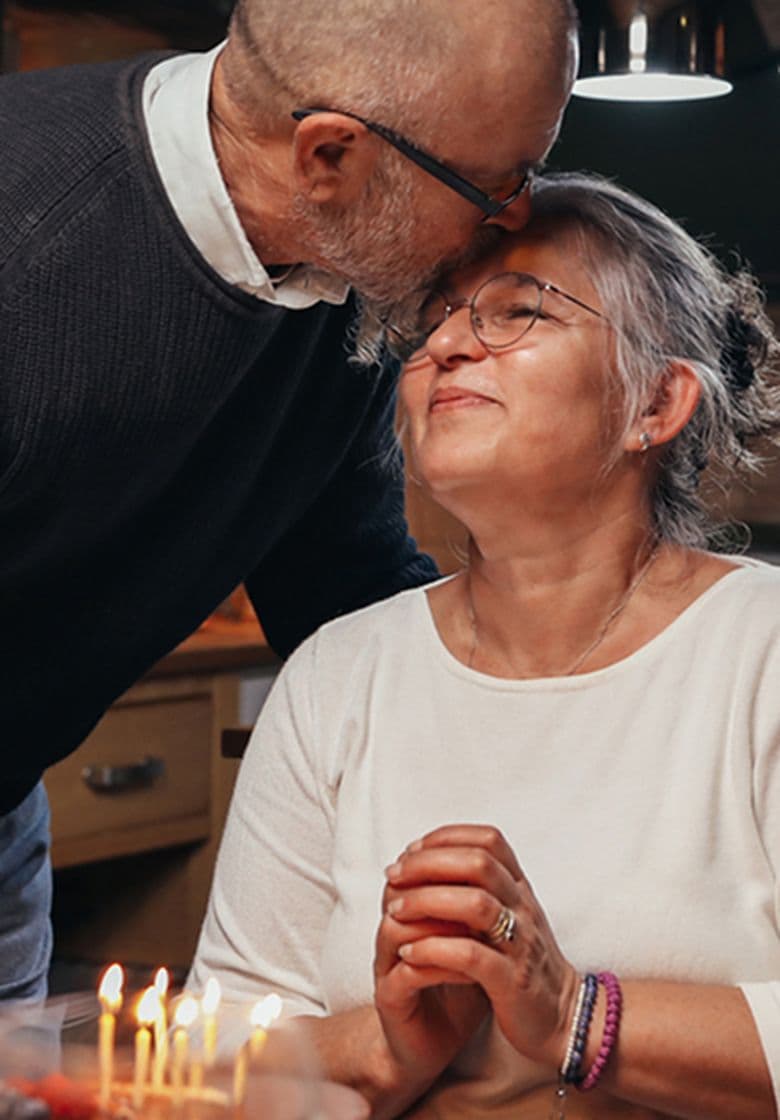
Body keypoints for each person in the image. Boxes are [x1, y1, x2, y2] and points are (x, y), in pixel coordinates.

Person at [0, 0, 578, 1000]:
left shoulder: (349, 272)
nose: (517, 216)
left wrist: (578, 696)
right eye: (498, 183)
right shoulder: (27, 248)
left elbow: (345, 589)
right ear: (329, 156)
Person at [189, 171, 780, 1120]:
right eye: (434, 320)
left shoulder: (762, 652)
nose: (446, 346)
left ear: (656, 404)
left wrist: (575, 1016)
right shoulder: (337, 674)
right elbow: (213, 1062)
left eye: (518, 313)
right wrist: (387, 1051)